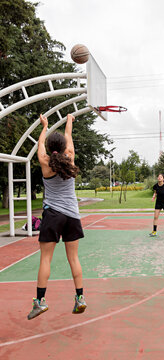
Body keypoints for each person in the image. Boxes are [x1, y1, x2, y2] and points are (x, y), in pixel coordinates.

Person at [27, 113, 87, 320]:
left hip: (53, 215)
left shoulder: (45, 162)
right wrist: (69, 121)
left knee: (45, 259)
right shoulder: (69, 157)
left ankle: (40, 302)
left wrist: (44, 126)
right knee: (74, 258)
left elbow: (40, 144)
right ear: (63, 148)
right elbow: (69, 139)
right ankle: (80, 298)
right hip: (72, 214)